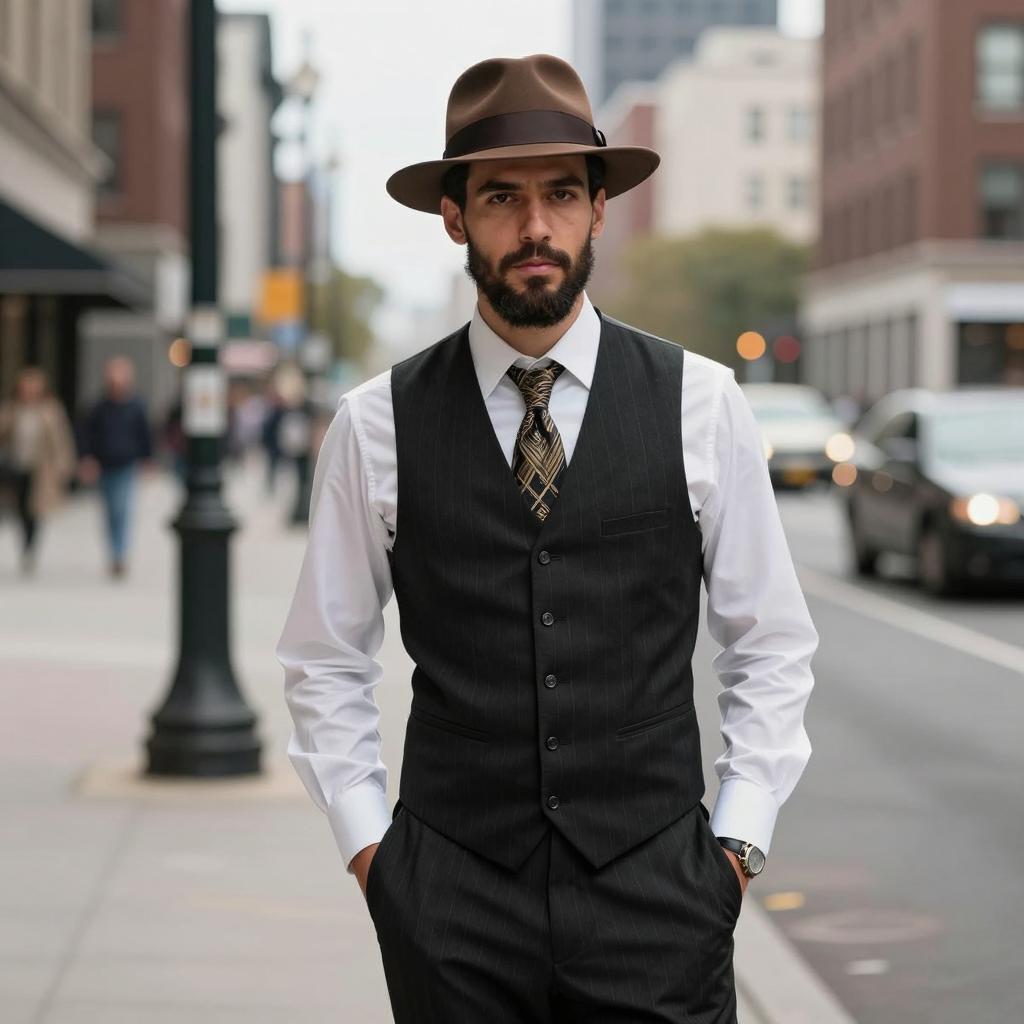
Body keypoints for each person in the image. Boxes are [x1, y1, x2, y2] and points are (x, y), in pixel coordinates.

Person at [277, 55, 819, 1022]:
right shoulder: (373, 424)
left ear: (599, 208)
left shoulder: (702, 403)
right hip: (452, 906)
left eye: (562, 194)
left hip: (660, 898)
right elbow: (323, 658)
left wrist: (735, 851)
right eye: (502, 198)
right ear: (455, 216)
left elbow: (769, 643)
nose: (536, 227)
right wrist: (377, 860)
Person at [78, 356, 152, 578]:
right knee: (110, 512)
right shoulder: (99, 407)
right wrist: (87, 459)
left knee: (122, 510)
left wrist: (147, 459)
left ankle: (119, 554)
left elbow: (145, 435)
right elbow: (87, 435)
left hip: (127, 465)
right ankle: (114, 552)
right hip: (105, 465)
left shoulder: (136, 405)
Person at [0, 367, 76, 574]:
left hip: (41, 470)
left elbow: (61, 440)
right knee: (20, 509)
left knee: (36, 511)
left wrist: (64, 467)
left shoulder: (51, 409)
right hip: (17, 467)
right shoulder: (13, 408)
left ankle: (31, 547)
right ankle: (25, 542)